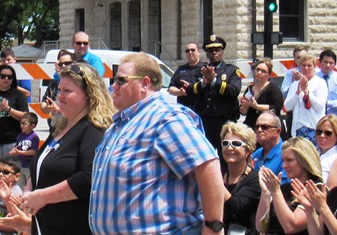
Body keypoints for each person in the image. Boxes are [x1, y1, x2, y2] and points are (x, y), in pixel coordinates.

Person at [89, 52, 225, 234]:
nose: (114, 87)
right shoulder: (120, 124)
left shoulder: (165, 117)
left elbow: (207, 165)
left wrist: (213, 226)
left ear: (145, 83)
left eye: (121, 80)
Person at [20, 64, 115, 234]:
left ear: (89, 94)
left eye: (67, 91)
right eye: (59, 90)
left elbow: (90, 176)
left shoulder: (93, 129)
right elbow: (41, 164)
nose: (59, 96)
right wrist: (28, 192)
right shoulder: (61, 127)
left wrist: (42, 197)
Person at [184, 35, 241, 173]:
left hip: (224, 120)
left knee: (226, 154)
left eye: (217, 50)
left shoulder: (231, 70)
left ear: (222, 51)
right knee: (205, 156)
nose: (214, 53)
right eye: (211, 51)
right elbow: (190, 92)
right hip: (205, 120)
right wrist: (204, 82)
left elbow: (234, 91)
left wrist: (214, 81)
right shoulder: (199, 70)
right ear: (207, 53)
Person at [255, 136, 323, 235]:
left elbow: (291, 227)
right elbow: (261, 227)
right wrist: (266, 193)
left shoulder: (316, 188)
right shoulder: (285, 188)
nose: (284, 165)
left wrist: (276, 192)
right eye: (283, 160)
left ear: (304, 160)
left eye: (289, 160)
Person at [220, 122, 260, 235]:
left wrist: (214, 181)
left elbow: (236, 206)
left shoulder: (255, 179)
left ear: (248, 150)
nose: (229, 147)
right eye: (225, 143)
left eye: (236, 143)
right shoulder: (220, 173)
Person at [284, 54, 328, 144]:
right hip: (298, 128)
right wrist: (297, 93)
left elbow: (319, 106)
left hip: (314, 127)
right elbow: (287, 107)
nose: (306, 68)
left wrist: (307, 91)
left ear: (314, 67)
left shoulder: (320, 83)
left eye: (309, 65)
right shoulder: (295, 84)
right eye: (303, 65)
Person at [240, 58, 283, 129]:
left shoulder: (273, 87)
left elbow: (276, 108)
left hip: (268, 126)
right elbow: (243, 112)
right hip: (252, 126)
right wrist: (245, 106)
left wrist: (257, 106)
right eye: (257, 70)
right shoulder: (249, 88)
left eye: (263, 71)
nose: (259, 73)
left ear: (269, 75)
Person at [40, 49, 76, 134]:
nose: (63, 66)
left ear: (74, 64)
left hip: (72, 129)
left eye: (67, 63)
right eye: (60, 64)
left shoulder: (78, 84)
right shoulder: (54, 83)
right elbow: (44, 104)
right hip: (55, 129)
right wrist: (48, 108)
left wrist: (60, 109)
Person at [0, 65, 29, 160]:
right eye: (3, 76)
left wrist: (8, 109)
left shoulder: (18, 94)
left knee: (11, 170)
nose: (6, 79)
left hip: (12, 140)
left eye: (10, 77)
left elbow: (25, 116)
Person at [252, 111, 289, 184]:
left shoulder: (286, 154)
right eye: (257, 127)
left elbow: (284, 186)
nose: (259, 130)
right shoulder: (256, 154)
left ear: (277, 131)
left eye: (264, 127)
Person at [281, 45, 309, 138]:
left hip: (309, 113)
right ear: (294, 59)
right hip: (293, 112)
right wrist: (294, 82)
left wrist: (301, 80)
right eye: (298, 58)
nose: (301, 60)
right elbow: (284, 93)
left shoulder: (315, 72)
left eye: (303, 57)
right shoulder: (290, 73)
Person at [168, 42, 206, 109]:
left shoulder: (205, 67)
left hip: (201, 110)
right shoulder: (181, 69)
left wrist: (191, 91)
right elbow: (171, 89)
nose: (190, 52)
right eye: (187, 51)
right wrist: (180, 92)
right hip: (183, 109)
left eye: (193, 50)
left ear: (199, 52)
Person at [315, 114, 337, 189]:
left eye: (328, 133)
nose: (322, 135)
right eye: (319, 132)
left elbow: (334, 192)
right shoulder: (314, 154)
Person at [8, 112, 39, 187]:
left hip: (29, 166)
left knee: (30, 185)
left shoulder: (34, 137)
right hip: (21, 165)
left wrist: (20, 152)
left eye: (24, 124)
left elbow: (33, 152)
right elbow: (17, 147)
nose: (22, 126)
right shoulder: (19, 136)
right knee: (20, 185)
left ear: (32, 126)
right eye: (21, 123)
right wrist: (14, 151)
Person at [316, 49, 337, 119]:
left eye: (331, 63)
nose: (328, 65)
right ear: (320, 62)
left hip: (335, 119)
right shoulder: (314, 78)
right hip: (316, 118)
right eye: (325, 62)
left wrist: (325, 103)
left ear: (335, 64)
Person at [0, 156, 23, 234]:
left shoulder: (16, 193)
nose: (0, 174)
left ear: (17, 176)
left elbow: (15, 227)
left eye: (6, 172)